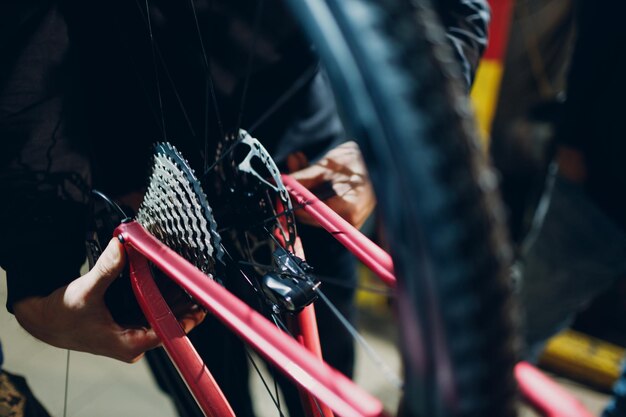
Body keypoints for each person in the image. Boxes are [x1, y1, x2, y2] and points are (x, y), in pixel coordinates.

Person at [0, 0, 489, 415]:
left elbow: (454, 10)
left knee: (325, 384)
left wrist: (383, 152)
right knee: (207, 398)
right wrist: (38, 274)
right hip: (152, 199)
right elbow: (28, 40)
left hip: (306, 167)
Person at [515, 1, 626, 415]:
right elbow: (602, 22)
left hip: (597, 177)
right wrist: (572, 136)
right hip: (598, 186)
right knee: (515, 325)